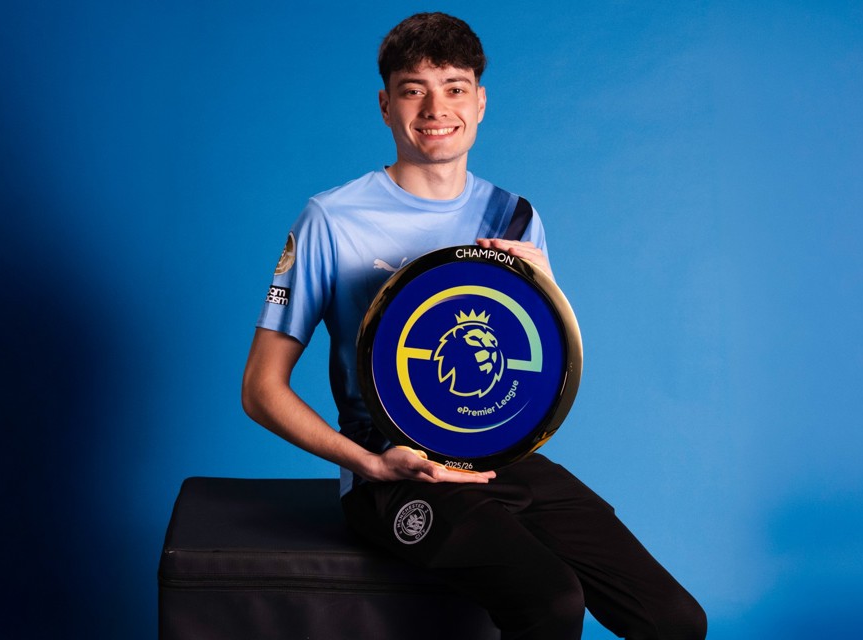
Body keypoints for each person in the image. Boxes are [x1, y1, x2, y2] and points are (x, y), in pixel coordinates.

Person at [241, 12, 706, 640]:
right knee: (551, 603)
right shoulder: (333, 218)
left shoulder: (514, 217)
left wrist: (549, 293)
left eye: (455, 87)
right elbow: (261, 388)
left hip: (499, 458)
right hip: (394, 468)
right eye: (414, 89)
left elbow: (535, 369)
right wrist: (369, 466)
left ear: (480, 102)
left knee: (674, 620)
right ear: (386, 105)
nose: (436, 107)